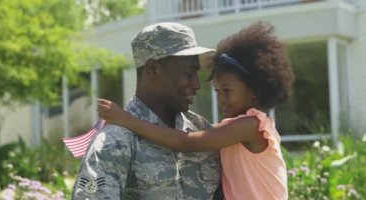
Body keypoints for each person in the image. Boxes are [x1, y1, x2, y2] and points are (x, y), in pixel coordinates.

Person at [98, 22, 294, 200]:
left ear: (254, 90)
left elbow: (187, 141)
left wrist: (128, 120)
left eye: (227, 91)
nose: (221, 99)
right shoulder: (232, 129)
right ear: (153, 69)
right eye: (217, 91)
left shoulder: (250, 126)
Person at [71, 22, 221, 199]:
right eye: (189, 73)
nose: (196, 84)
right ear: (153, 69)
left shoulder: (202, 131)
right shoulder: (115, 142)